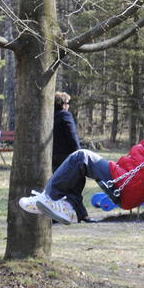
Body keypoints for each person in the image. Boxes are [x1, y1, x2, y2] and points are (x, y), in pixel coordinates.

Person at [19, 93, 144, 225]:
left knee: (81, 157)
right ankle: (69, 207)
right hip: (124, 178)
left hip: (128, 185)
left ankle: (51, 198)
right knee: (80, 165)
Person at [52, 91, 92, 223]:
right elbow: (71, 136)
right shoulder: (65, 115)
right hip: (67, 156)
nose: (68, 106)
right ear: (63, 105)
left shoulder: (50, 117)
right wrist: (78, 153)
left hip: (54, 156)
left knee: (61, 186)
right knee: (77, 184)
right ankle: (82, 215)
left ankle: (80, 215)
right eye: (67, 103)